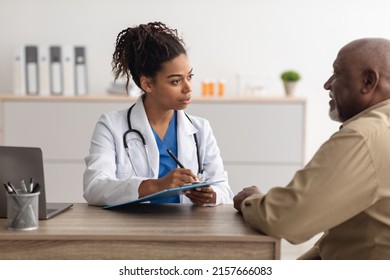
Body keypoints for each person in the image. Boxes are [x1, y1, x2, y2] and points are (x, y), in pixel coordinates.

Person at [233, 38, 390, 259]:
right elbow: (342, 239)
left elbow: (285, 219)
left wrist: (250, 200)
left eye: (337, 73)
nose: (327, 84)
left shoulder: (364, 136)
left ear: (368, 81)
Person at [83, 22, 233, 207]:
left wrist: (209, 195)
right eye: (176, 81)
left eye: (190, 77)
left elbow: (225, 190)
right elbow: (94, 187)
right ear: (147, 84)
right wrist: (156, 186)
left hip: (189, 231)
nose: (188, 88)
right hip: (133, 231)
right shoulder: (111, 125)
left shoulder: (200, 129)